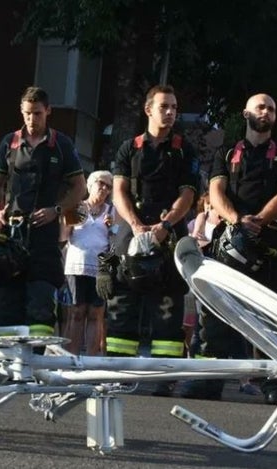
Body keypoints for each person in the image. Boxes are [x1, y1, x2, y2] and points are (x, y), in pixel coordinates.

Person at [184, 93, 277, 402]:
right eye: (261, 107)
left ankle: (274, 385)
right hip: (230, 243)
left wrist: (259, 219)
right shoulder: (227, 151)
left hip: (270, 243)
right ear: (246, 113)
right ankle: (210, 382)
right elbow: (215, 192)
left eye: (271, 109)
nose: (267, 112)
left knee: (272, 317)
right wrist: (236, 220)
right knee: (216, 314)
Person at [105, 84, 197, 396]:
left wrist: (165, 226)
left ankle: (163, 377)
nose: (170, 112)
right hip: (134, 230)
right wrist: (135, 225)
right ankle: (119, 371)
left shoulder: (185, 150)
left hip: (168, 234)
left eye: (174, 107)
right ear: (149, 110)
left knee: (168, 307)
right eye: (164, 107)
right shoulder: (128, 148)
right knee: (122, 299)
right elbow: (119, 191)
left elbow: (188, 194)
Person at [0, 86, 86, 337]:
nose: (32, 120)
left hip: (44, 235)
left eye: (38, 114)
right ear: (21, 112)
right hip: (12, 234)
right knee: (6, 304)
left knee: (41, 305)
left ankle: (36, 365)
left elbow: (80, 187)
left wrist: (57, 210)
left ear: (48, 111)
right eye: (28, 114)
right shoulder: (9, 142)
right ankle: (9, 367)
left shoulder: (62, 144)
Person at [60, 170, 114, 355]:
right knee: (76, 312)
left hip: (101, 267)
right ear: (90, 185)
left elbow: (116, 239)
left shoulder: (112, 211)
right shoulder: (78, 207)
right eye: (101, 183)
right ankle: (71, 359)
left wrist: (112, 226)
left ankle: (91, 361)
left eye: (109, 186)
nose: (105, 188)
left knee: (96, 314)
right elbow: (64, 237)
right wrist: (68, 221)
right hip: (77, 265)